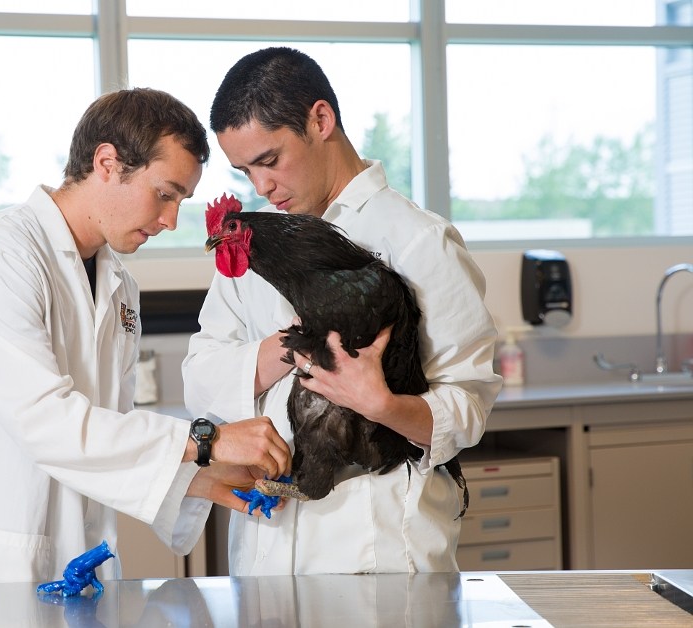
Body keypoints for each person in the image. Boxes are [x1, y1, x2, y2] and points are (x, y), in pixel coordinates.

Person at [0, 87, 291, 587]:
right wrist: (207, 440)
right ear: (107, 162)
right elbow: (47, 422)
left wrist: (197, 480)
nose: (170, 221)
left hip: (70, 555)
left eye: (180, 200)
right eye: (164, 194)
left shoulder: (118, 283)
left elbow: (103, 431)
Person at [182, 47, 502, 575]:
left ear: (321, 119)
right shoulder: (256, 247)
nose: (261, 187)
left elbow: (468, 406)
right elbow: (200, 375)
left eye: (269, 160)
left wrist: (381, 404)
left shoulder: (419, 241)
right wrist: (290, 347)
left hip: (377, 540)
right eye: (245, 170)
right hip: (268, 538)